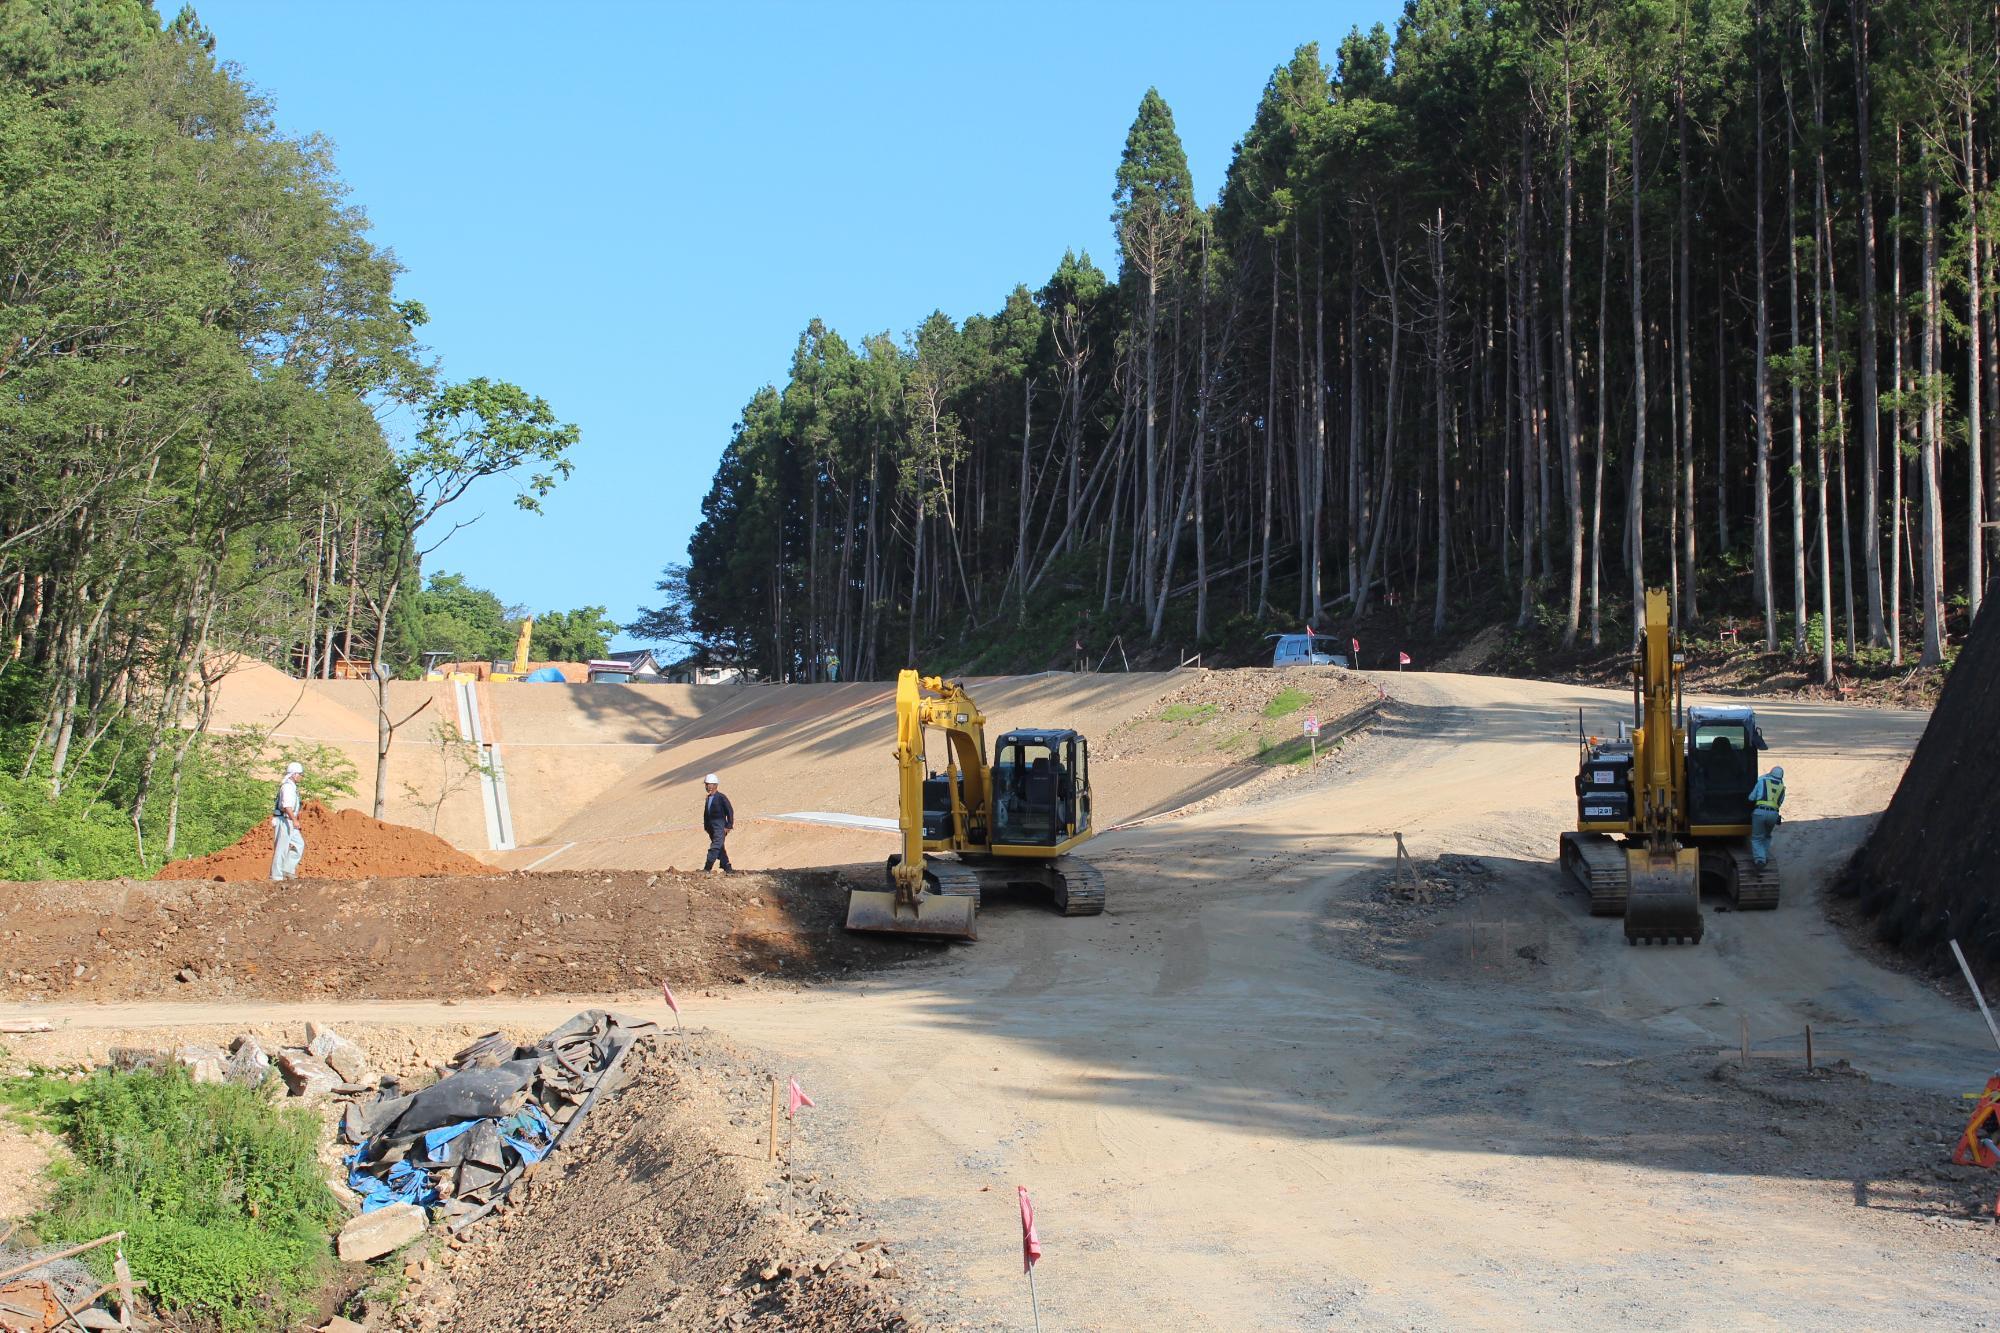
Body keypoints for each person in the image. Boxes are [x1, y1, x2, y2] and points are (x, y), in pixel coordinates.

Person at [270, 761, 305, 881]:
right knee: (281, 848)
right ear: (294, 774)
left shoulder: (292, 787)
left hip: (289, 820)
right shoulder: (288, 787)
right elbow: (287, 806)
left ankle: (287, 869)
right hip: (284, 820)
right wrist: (294, 820)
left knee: (299, 844)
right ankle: (276, 876)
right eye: (300, 774)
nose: (301, 776)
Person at [1748, 764, 1785, 868]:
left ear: (1770, 773)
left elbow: (1751, 797)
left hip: (1760, 812)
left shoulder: (1762, 781)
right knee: (1766, 836)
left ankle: (1760, 860)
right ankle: (1764, 855)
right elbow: (1780, 802)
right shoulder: (1782, 788)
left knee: (1756, 838)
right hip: (1774, 814)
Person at [701, 772, 735, 872]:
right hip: (711, 828)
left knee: (715, 846)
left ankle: (707, 868)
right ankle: (727, 867)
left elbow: (730, 811)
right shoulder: (708, 798)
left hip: (720, 827)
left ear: (715, 785)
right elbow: (706, 814)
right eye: (706, 784)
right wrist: (706, 827)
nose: (707, 787)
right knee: (719, 846)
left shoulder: (721, 797)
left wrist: (729, 825)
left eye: (709, 784)